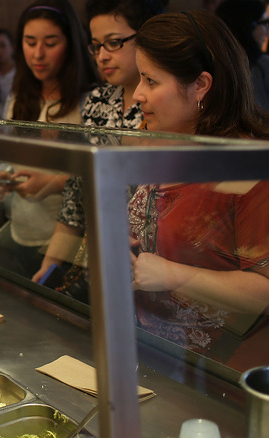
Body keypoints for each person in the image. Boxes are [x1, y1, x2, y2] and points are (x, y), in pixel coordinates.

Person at [129, 10, 269, 368]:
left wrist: (174, 275)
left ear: (201, 85)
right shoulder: (160, 143)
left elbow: (265, 290)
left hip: (217, 370)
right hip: (147, 349)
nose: (137, 95)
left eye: (150, 81)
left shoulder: (249, 167)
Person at [30, 0, 168, 298]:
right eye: (96, 46)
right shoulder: (98, 100)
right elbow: (80, 187)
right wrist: (53, 260)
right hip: (102, 255)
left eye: (114, 43)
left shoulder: (167, 104)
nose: (103, 56)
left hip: (157, 266)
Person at [0, 0, 98, 277]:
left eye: (50, 43)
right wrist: (0, 179)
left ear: (71, 44)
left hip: (72, 241)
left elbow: (102, 174)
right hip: (21, 229)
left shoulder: (92, 101)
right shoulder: (18, 98)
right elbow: (9, 158)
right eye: (29, 41)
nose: (38, 54)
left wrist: (53, 183)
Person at [215, 0, 269, 111]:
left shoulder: (207, 63)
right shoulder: (263, 66)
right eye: (263, 23)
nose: (267, 31)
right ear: (249, 26)